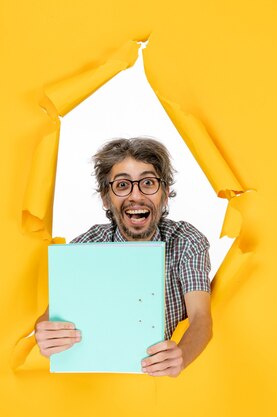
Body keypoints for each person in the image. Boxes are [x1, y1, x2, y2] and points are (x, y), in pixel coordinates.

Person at [34, 137, 213, 377]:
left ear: (166, 193)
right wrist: (46, 334)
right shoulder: (87, 247)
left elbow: (201, 318)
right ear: (106, 198)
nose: (136, 196)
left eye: (148, 183)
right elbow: (52, 315)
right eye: (122, 185)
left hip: (167, 390)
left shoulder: (186, 241)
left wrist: (180, 358)